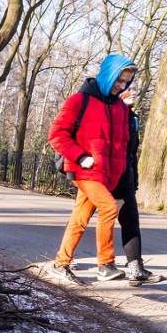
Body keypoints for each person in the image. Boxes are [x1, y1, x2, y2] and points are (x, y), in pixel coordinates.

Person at [47, 54, 135, 284]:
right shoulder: (79, 100)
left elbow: (124, 143)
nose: (121, 85)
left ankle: (60, 264)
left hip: (107, 174)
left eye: (126, 81)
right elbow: (56, 135)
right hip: (84, 169)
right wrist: (81, 156)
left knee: (80, 218)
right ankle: (106, 264)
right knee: (108, 208)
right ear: (108, 74)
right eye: (119, 79)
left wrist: (122, 171)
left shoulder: (120, 107)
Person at [112, 83, 164, 284]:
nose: (134, 93)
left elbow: (132, 153)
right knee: (82, 219)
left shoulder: (133, 118)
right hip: (102, 175)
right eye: (130, 88)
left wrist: (134, 179)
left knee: (131, 220)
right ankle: (64, 261)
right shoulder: (108, 112)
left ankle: (135, 268)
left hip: (125, 177)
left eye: (136, 89)